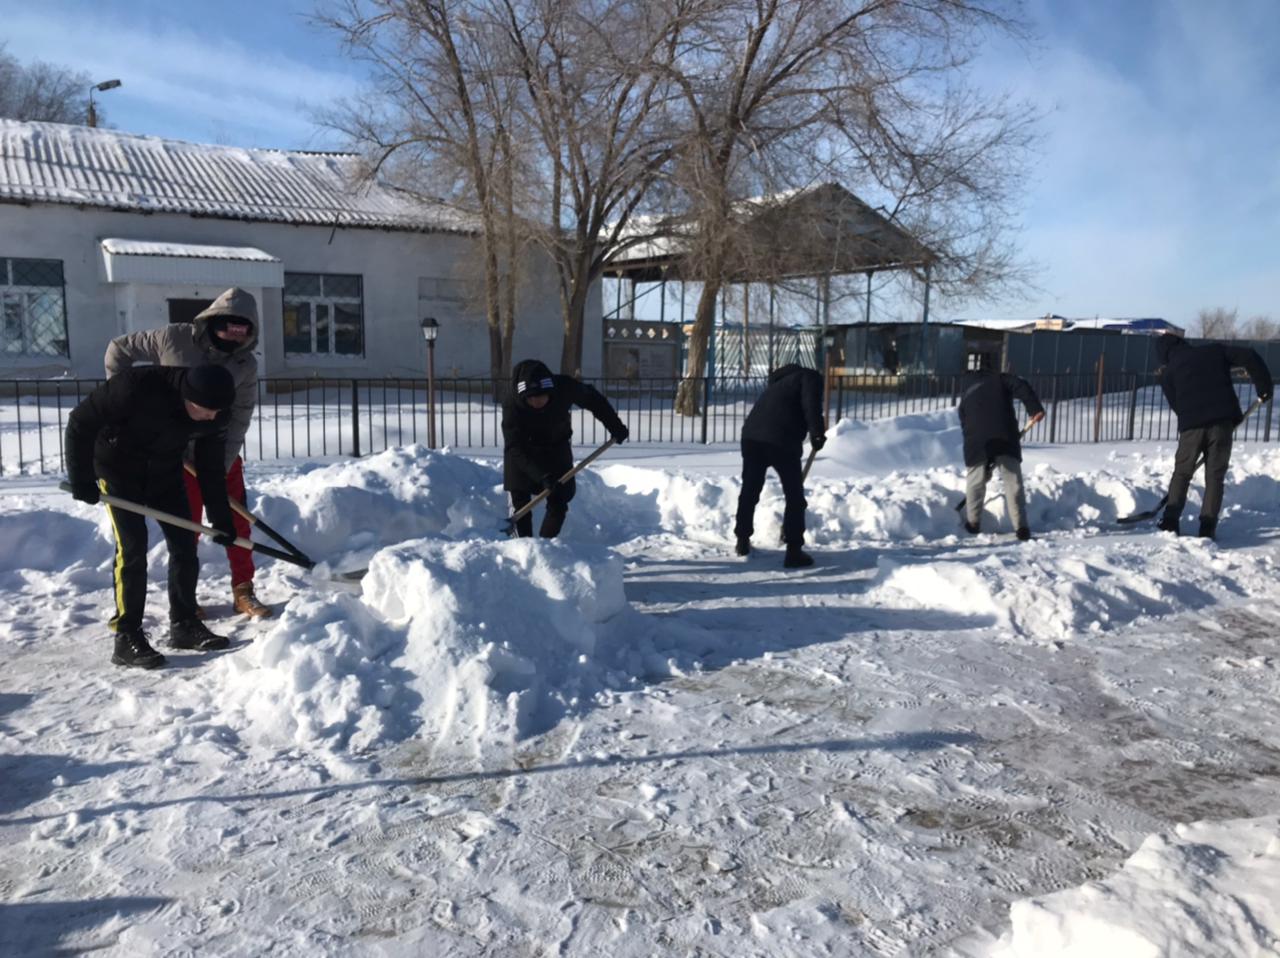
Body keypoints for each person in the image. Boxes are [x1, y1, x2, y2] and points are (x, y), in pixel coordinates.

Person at [105, 287, 271, 617]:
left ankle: (243, 589)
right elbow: (118, 349)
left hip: (220, 450)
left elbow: (241, 415)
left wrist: (220, 465)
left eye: (243, 332)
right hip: (174, 454)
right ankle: (185, 599)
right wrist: (127, 401)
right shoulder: (172, 338)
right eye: (229, 329)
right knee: (186, 527)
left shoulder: (245, 364)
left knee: (237, 521)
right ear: (215, 321)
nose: (234, 338)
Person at [65, 365, 239, 669]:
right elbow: (81, 421)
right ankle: (126, 636)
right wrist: (81, 479)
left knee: (185, 545)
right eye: (205, 410)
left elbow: (210, 467)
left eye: (217, 411)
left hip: (164, 474)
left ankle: (184, 623)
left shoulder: (216, 413)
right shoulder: (135, 387)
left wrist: (221, 518)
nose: (212, 417)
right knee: (132, 548)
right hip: (117, 473)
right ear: (187, 396)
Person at [1154, 334, 1273, 539]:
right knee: (1215, 477)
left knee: (1182, 473)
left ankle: (1170, 522)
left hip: (1191, 427)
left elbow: (1178, 406)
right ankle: (1207, 528)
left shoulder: (1168, 373)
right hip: (1222, 423)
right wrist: (1264, 387)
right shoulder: (1214, 351)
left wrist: (1193, 417)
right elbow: (1249, 356)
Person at [502, 358, 629, 538]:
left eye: (541, 397)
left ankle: (546, 546)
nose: (537, 402)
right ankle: (522, 546)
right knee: (520, 503)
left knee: (559, 499)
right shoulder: (512, 404)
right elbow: (515, 446)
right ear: (524, 397)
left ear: (550, 391)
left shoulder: (564, 387)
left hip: (556, 447)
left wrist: (615, 426)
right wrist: (541, 476)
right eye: (532, 398)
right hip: (524, 453)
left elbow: (594, 400)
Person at [733, 364, 826, 568]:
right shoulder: (809, 377)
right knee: (794, 496)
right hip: (782, 440)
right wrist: (817, 433)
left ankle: (742, 540)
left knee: (750, 490)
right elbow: (811, 405)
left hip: (751, 438)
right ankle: (794, 550)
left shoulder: (777, 384)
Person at [957, 367, 1045, 540]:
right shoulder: (1001, 379)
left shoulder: (966, 395)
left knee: (975, 481)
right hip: (1005, 435)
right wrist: (1035, 408)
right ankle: (1021, 527)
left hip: (976, 441)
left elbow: (965, 423)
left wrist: (983, 460)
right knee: (1013, 482)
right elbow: (1021, 385)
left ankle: (973, 523)